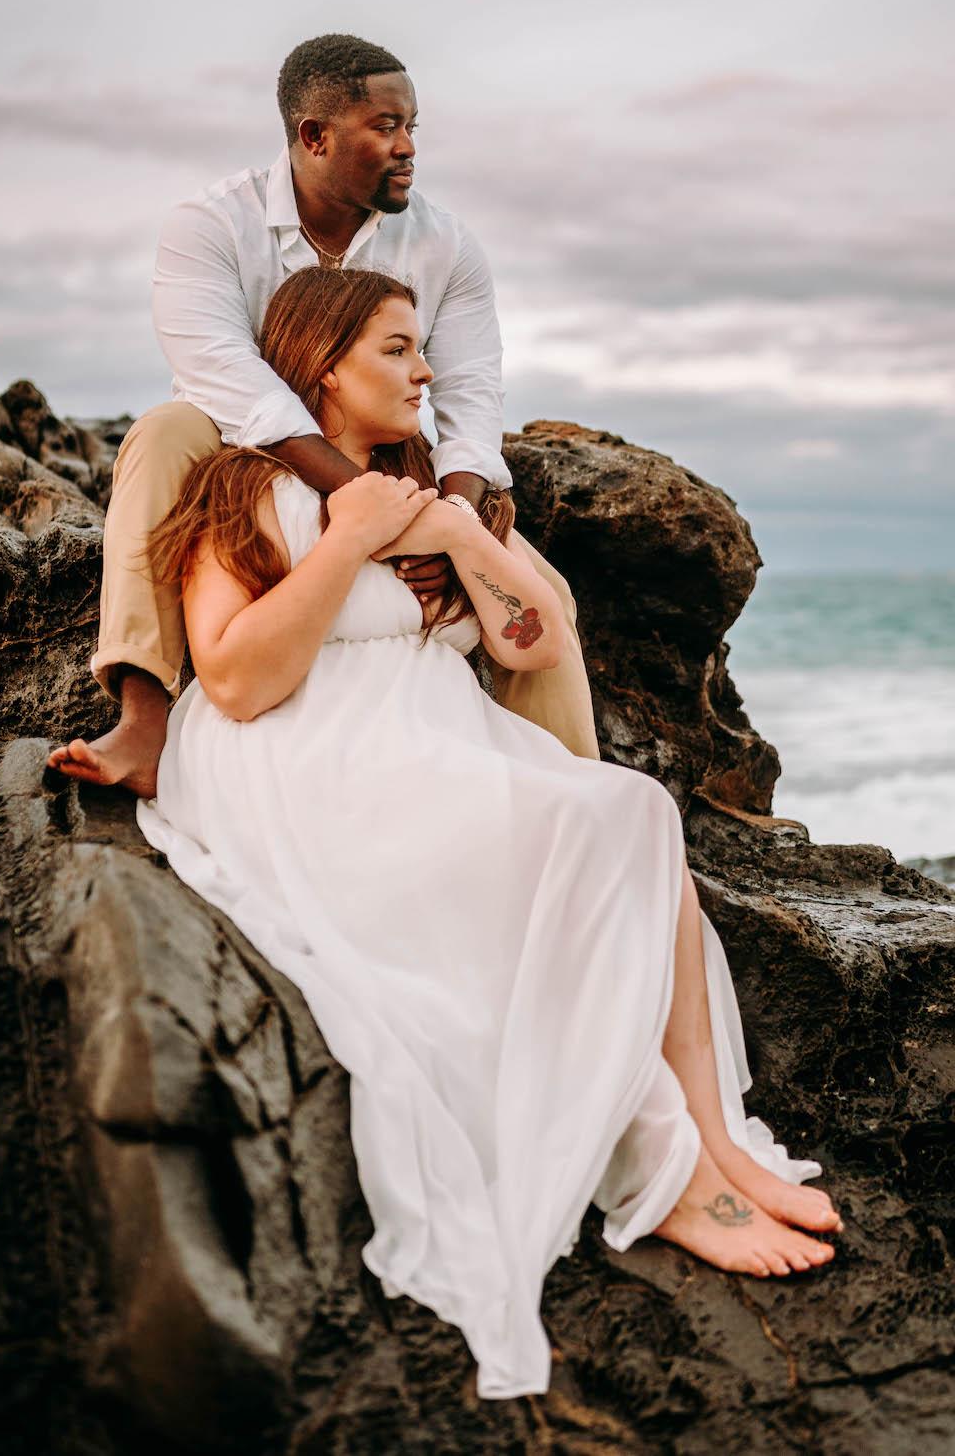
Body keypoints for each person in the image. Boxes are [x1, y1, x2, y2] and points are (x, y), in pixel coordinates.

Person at [135, 264, 839, 1401]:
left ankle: (715, 1141)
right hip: (308, 769)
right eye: (397, 350)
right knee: (602, 831)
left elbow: (523, 643)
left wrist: (458, 535)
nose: (426, 372)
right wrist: (343, 539)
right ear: (321, 364)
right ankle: (669, 1178)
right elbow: (235, 676)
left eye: (423, 349)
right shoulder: (242, 490)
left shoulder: (420, 495)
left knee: (631, 820)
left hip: (441, 749)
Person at [46, 32, 598, 796]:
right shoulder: (210, 225)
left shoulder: (445, 242)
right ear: (314, 136)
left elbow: (470, 397)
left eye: (413, 128)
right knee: (161, 432)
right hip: (240, 442)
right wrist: (364, 504)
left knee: (548, 595)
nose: (408, 147)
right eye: (384, 127)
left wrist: (454, 522)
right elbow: (226, 377)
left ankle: (568, 793)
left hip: (383, 455)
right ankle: (144, 716)